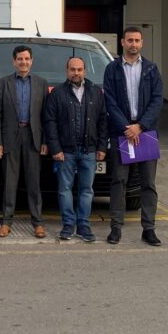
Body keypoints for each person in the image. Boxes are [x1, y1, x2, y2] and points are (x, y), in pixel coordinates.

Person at [102, 26, 162, 246]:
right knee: (119, 181)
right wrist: (127, 127)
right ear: (122, 42)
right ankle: (116, 228)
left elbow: (157, 100)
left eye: (137, 40)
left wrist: (141, 126)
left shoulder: (152, 69)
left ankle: (149, 229)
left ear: (142, 43)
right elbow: (110, 100)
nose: (133, 44)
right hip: (122, 133)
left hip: (146, 134)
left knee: (148, 183)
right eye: (130, 40)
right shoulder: (112, 69)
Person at [43, 57, 108, 241]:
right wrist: (55, 148)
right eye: (72, 69)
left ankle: (83, 226)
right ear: (67, 71)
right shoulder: (57, 93)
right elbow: (50, 122)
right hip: (66, 151)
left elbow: (103, 120)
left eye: (79, 69)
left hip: (89, 150)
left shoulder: (96, 92)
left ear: (85, 71)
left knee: (87, 190)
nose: (76, 73)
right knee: (65, 189)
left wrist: (102, 146)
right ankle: (68, 225)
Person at [0, 45, 49, 238]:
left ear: (31, 61)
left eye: (26, 59)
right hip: (10, 137)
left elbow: (45, 116)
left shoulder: (41, 83)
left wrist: (45, 141)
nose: (23, 62)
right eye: (20, 59)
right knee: (9, 182)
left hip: (33, 137)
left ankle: (38, 222)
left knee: (34, 182)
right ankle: (6, 221)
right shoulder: (2, 83)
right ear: (14, 61)